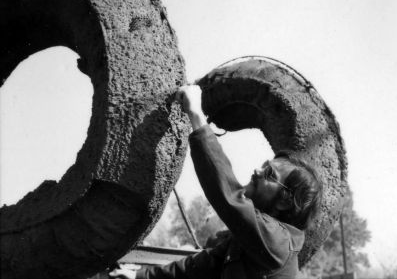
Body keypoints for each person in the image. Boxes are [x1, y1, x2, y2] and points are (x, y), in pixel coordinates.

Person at [109, 84, 322, 279]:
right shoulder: (244, 242)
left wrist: (196, 114)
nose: (257, 170)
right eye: (263, 166)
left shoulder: (278, 243)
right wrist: (138, 277)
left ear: (285, 201)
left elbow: (229, 198)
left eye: (269, 174)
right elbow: (193, 268)